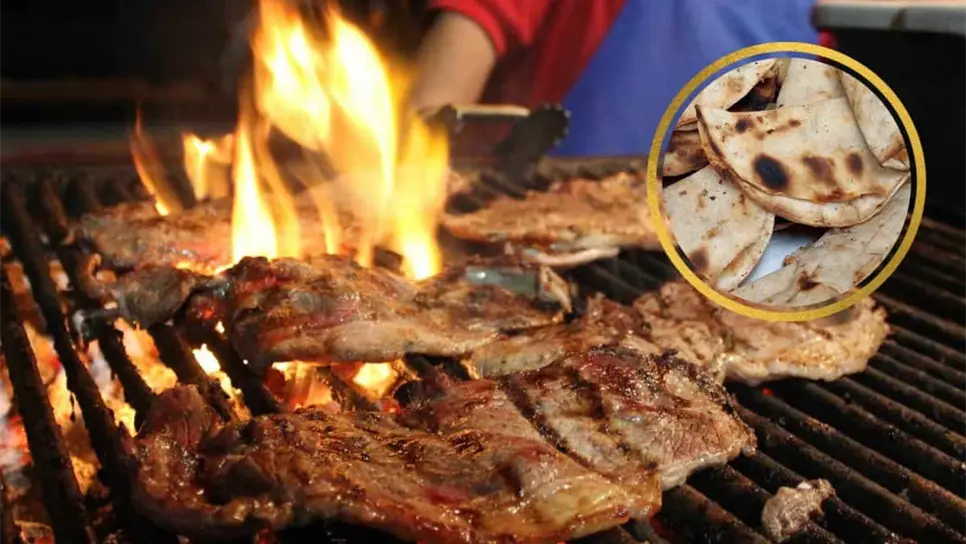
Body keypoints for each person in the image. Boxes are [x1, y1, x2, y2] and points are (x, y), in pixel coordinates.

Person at [409, 0, 828, 157]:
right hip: (521, 243)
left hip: (713, 263)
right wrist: (414, 159)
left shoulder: (824, 10)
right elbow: (453, 62)